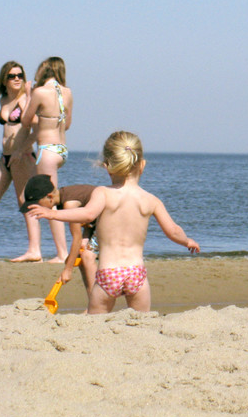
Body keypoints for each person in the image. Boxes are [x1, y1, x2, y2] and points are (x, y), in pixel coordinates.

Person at [27, 131, 200, 314]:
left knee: (96, 325)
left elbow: (86, 215)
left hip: (109, 273)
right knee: (142, 323)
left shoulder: (102, 193)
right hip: (136, 273)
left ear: (107, 166)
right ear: (142, 165)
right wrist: (186, 241)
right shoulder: (151, 200)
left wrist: (52, 214)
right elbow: (173, 230)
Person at [11, 56, 73, 263]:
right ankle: (61, 251)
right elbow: (67, 124)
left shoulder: (39, 92)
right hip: (62, 149)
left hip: (46, 150)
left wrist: (29, 95)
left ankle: (62, 253)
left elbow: (26, 121)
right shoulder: (67, 93)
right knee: (53, 199)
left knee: (50, 203)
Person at [0, 61, 42, 262]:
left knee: (25, 202)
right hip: (4, 158)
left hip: (22, 157)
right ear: (4, 80)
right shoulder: (4, 99)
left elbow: (38, 129)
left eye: (20, 75)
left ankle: (35, 251)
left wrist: (22, 149)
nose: (16, 79)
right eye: (12, 76)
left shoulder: (26, 99)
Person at [20, 174, 99, 299]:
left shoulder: (69, 204)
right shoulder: (64, 196)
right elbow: (87, 223)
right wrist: (84, 239)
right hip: (97, 225)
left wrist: (68, 270)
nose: (38, 208)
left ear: (49, 197)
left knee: (87, 257)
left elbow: (76, 238)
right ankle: (92, 301)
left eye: (38, 204)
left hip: (113, 221)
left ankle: (97, 302)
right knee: (80, 258)